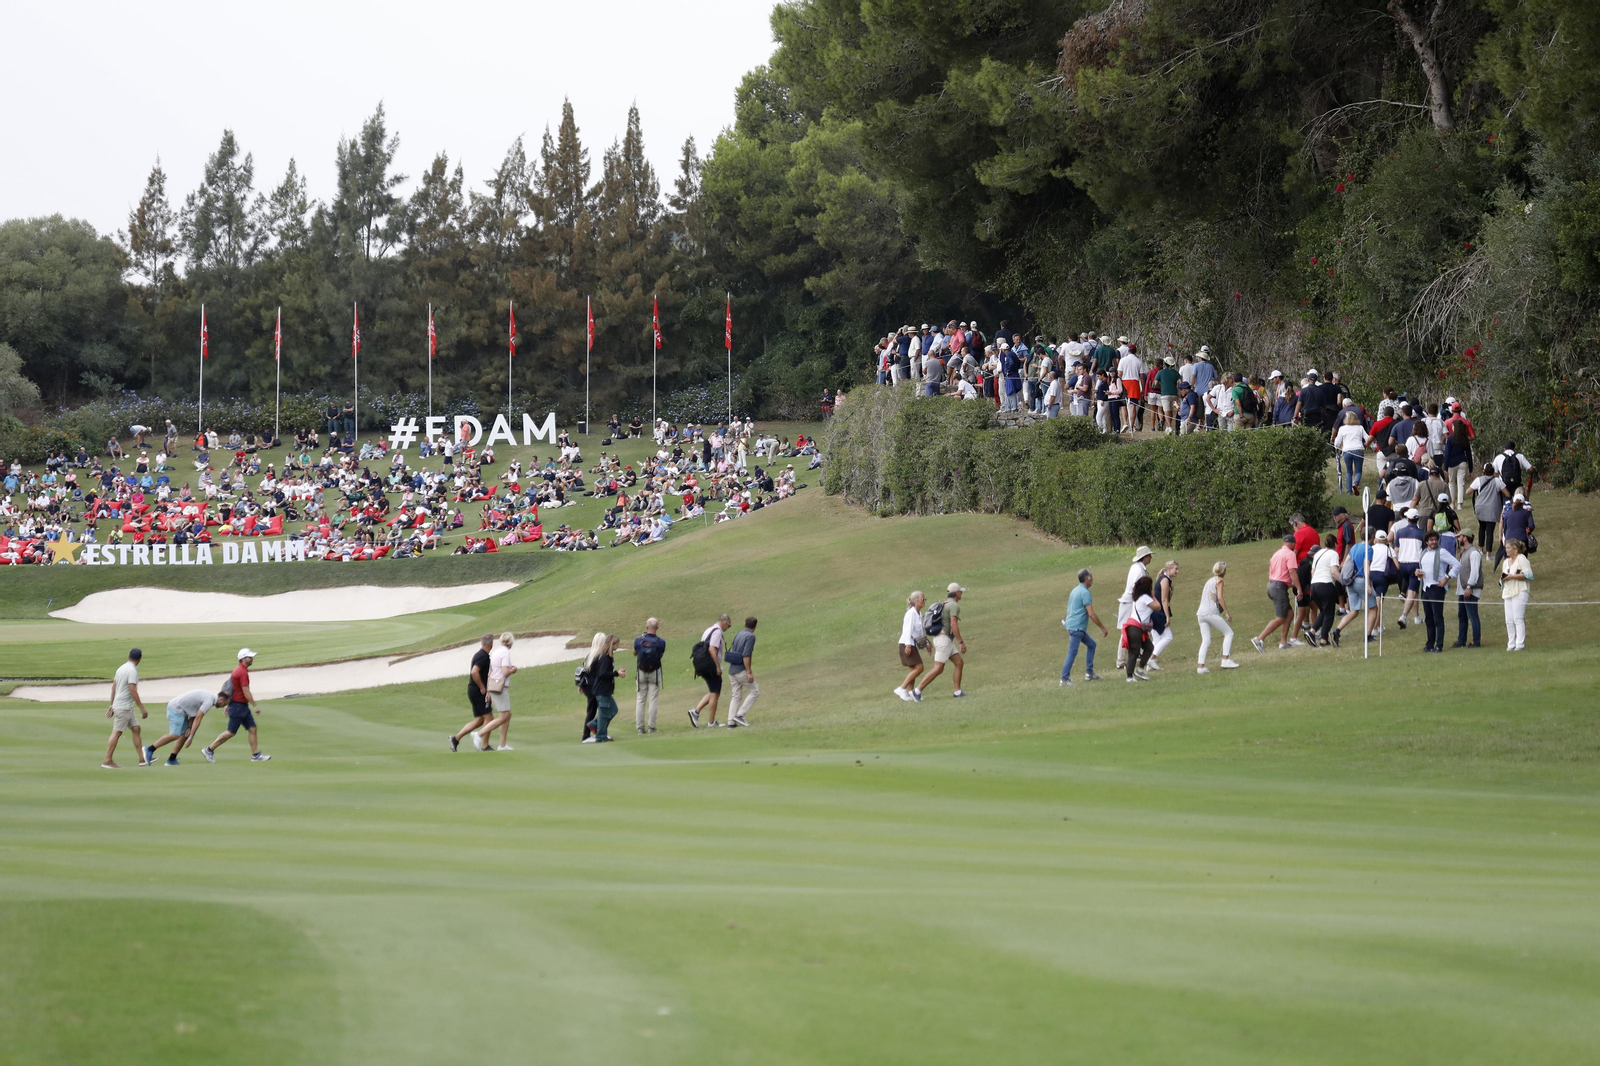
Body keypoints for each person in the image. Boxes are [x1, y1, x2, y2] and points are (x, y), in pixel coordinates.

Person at [201, 649, 270, 762]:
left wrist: (228, 706)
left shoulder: (239, 670)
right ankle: (209, 749)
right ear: (243, 659)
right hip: (238, 706)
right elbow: (245, 691)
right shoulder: (242, 672)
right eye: (249, 657)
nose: (252, 659)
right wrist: (255, 706)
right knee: (230, 732)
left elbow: (232, 690)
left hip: (240, 706)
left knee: (252, 728)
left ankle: (255, 755)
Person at [145, 688, 225, 766]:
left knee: (184, 734)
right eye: (225, 704)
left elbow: (194, 714)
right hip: (176, 709)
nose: (223, 707)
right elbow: (198, 718)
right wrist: (191, 736)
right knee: (174, 735)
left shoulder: (209, 698)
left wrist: (189, 728)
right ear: (221, 700)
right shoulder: (209, 701)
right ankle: (149, 749)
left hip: (181, 711)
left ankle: (171, 759)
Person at [103, 647, 150, 769]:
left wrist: (111, 705)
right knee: (117, 733)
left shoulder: (121, 668)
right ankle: (107, 760)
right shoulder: (132, 671)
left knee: (136, 728)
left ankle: (142, 759)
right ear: (139, 659)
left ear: (129, 656)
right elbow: (132, 690)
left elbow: (113, 688)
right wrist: (142, 708)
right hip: (123, 707)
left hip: (124, 706)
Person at [469, 632, 518, 750]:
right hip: (500, 687)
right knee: (503, 716)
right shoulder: (505, 653)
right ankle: (479, 734)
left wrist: (488, 691)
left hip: (493, 686)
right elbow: (505, 672)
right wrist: (513, 670)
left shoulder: (496, 652)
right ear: (511, 642)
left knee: (507, 714)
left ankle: (502, 744)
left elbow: (490, 672)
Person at [1253, 535, 1302, 652]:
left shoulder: (1276, 554)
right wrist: (1299, 588)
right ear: (1292, 544)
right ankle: (1259, 639)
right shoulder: (1290, 554)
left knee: (1289, 614)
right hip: (1279, 587)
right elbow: (1292, 571)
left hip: (1272, 585)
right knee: (1281, 618)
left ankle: (1283, 642)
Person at [919, 583, 967, 697]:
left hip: (944, 639)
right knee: (938, 668)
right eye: (960, 591)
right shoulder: (954, 606)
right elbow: (953, 624)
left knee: (959, 663)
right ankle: (917, 691)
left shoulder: (945, 603)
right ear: (956, 593)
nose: (961, 593)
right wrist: (961, 642)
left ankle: (957, 692)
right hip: (943, 640)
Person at [1060, 569, 1108, 685]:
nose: (1093, 579)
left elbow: (1069, 609)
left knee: (1092, 644)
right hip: (1077, 627)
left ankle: (1089, 673)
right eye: (1091, 576)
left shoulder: (1075, 590)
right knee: (1072, 651)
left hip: (1072, 625)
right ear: (1087, 579)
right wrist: (1102, 627)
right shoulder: (1085, 593)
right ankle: (1064, 679)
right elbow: (1091, 613)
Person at [1415, 530, 1460, 653]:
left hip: (1437, 587)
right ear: (1426, 542)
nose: (1434, 542)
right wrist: (1417, 572)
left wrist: (1447, 578)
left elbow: (1456, 564)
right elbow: (1422, 568)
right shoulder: (1423, 553)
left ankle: (1439, 644)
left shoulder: (1442, 552)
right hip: (1425, 587)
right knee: (1428, 618)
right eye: (1431, 540)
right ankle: (1430, 643)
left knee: (1437, 617)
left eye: (1435, 539)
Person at [451, 634, 495, 751]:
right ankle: (485, 745)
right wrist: (482, 687)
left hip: (472, 690)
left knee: (480, 720)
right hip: (477, 691)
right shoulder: (483, 656)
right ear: (491, 644)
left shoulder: (479, 654)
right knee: (489, 718)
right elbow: (474, 672)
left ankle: (456, 739)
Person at [1195, 561, 1239, 673]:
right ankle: (1225, 659)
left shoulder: (1209, 581)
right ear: (1223, 571)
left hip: (1201, 613)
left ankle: (1201, 666)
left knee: (1206, 640)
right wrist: (1227, 612)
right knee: (1229, 633)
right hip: (1210, 612)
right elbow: (1220, 597)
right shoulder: (1219, 581)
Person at [688, 615, 731, 728]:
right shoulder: (717, 632)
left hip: (702, 664)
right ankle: (711, 722)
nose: (728, 628)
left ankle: (695, 712)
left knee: (713, 691)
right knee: (715, 692)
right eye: (729, 626)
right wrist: (717, 665)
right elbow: (712, 649)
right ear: (725, 623)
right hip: (710, 665)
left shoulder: (708, 630)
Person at [581, 634, 624, 742]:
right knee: (604, 712)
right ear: (611, 645)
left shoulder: (605, 657)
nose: (617, 647)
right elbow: (602, 674)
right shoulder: (605, 658)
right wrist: (616, 673)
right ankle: (601, 735)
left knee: (613, 709)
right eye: (616, 645)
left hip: (604, 690)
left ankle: (594, 724)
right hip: (602, 690)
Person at [1115, 547, 1153, 669]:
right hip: (1130, 602)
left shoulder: (1136, 568)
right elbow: (1136, 589)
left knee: (1135, 630)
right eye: (1149, 555)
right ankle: (1121, 661)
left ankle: (1137, 654)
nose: (1151, 558)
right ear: (1145, 557)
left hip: (1130, 601)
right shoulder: (1139, 571)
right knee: (1127, 631)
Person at [1307, 532, 1343, 646]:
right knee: (1329, 614)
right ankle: (1322, 639)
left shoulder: (1318, 554)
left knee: (1324, 611)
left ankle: (1313, 632)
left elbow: (1312, 572)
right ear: (1335, 544)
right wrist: (1344, 582)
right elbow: (1334, 571)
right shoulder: (1334, 554)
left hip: (1314, 585)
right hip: (1326, 585)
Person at [1499, 539, 1533, 651]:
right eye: (1506, 548)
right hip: (1508, 591)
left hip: (1520, 591)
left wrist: (1512, 576)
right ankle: (1511, 643)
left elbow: (1528, 575)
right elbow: (1503, 577)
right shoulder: (1505, 562)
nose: (1506, 550)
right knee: (1509, 620)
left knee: (1518, 618)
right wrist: (1502, 580)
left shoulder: (1522, 559)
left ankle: (1520, 644)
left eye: (1508, 548)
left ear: (1515, 549)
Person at [633, 618, 666, 734]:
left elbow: (634, 653)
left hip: (641, 672)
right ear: (657, 628)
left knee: (640, 700)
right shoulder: (661, 642)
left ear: (647, 627)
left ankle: (640, 728)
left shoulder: (638, 640)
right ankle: (652, 727)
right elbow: (660, 656)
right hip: (654, 673)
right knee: (653, 700)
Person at [1452, 532, 1485, 648]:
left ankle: (1476, 641)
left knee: (1472, 615)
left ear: (1465, 538)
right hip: (1463, 589)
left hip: (1470, 589)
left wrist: (1469, 587)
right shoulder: (1465, 552)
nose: (1458, 539)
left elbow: (1475, 572)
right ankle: (1461, 640)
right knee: (1462, 615)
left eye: (1459, 537)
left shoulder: (1474, 553)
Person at [725, 617, 759, 727]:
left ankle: (731, 721)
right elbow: (746, 655)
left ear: (745, 624)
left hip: (732, 670)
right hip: (741, 670)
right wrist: (749, 672)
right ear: (754, 627)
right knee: (755, 692)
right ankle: (740, 715)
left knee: (736, 696)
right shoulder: (750, 637)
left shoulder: (738, 634)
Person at [1122, 576, 1156, 682]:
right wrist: (1153, 596)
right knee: (1134, 652)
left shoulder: (1137, 598)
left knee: (1149, 647)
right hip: (1135, 628)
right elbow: (1158, 606)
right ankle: (1129, 677)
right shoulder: (1146, 597)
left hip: (1135, 627)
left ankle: (1140, 669)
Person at [895, 591, 927, 702]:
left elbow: (919, 632)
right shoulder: (911, 613)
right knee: (919, 668)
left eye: (924, 599)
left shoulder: (918, 613)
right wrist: (908, 645)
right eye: (922, 599)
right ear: (915, 601)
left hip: (911, 644)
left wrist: (926, 643)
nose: (924, 601)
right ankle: (902, 688)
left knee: (913, 669)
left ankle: (910, 693)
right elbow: (907, 630)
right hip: (906, 643)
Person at [1148, 561, 1179, 670]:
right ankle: (1151, 659)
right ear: (1169, 568)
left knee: (1156, 639)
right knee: (1168, 637)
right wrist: (1167, 616)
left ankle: (1149, 665)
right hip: (1158, 612)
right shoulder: (1165, 580)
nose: (1177, 572)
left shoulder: (1165, 579)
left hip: (1153, 611)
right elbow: (1164, 599)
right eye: (1176, 569)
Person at [1333, 410, 1369, 495]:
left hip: (1347, 451)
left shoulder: (1342, 429)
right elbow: (1367, 438)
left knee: (1349, 471)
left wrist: (1336, 447)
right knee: (1358, 471)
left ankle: (1349, 491)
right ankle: (1355, 483)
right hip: (1359, 450)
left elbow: (1337, 442)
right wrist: (1374, 446)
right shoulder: (1360, 428)